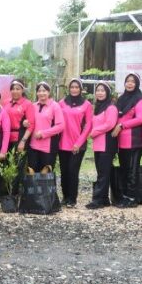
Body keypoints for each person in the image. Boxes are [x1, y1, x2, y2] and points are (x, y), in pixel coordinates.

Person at [112, 72, 142, 208]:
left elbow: (140, 119)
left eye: (133, 81)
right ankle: (125, 196)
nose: (130, 84)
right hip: (121, 141)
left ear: (137, 84)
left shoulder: (140, 100)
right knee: (125, 169)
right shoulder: (122, 99)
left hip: (134, 141)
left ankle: (132, 198)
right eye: (127, 81)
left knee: (132, 170)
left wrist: (122, 125)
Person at [58, 78, 93, 208]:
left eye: (76, 87)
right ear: (69, 88)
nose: (74, 89)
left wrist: (79, 143)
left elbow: (88, 125)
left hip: (78, 144)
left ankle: (72, 199)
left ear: (81, 89)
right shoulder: (61, 103)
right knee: (64, 171)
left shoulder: (86, 105)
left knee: (73, 171)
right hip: (62, 143)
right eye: (72, 87)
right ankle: (65, 196)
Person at [86, 82, 118, 209]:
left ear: (108, 93)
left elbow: (110, 124)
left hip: (107, 144)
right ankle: (104, 199)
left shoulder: (111, 108)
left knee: (103, 173)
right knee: (101, 171)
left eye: (102, 90)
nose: (99, 92)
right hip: (98, 144)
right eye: (98, 90)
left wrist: (94, 132)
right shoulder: (98, 107)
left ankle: (98, 200)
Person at [27, 82, 64, 172]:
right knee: (32, 172)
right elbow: (30, 122)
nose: (41, 93)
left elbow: (61, 126)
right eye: (39, 91)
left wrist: (43, 133)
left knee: (46, 174)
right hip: (33, 145)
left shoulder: (55, 106)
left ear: (49, 92)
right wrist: (26, 122)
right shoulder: (33, 106)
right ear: (36, 93)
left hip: (48, 146)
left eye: (44, 90)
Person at [4, 79, 35, 153]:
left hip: (19, 138)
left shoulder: (27, 104)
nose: (15, 91)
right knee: (5, 163)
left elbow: (31, 125)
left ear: (22, 90)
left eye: (17, 89)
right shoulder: (6, 102)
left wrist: (23, 141)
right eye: (13, 89)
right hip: (6, 138)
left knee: (18, 163)